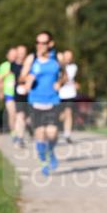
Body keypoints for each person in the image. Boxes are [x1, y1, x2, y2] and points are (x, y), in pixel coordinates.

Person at [20, 31, 64, 175]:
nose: (39, 45)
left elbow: (65, 75)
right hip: (35, 101)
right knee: (40, 133)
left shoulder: (58, 57)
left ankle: (50, 151)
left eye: (43, 43)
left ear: (51, 44)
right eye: (37, 42)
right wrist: (28, 80)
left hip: (53, 100)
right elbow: (21, 78)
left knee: (52, 133)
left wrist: (60, 82)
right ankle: (43, 161)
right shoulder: (31, 59)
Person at [58, 49, 79, 142]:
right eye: (66, 56)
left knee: (69, 113)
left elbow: (66, 79)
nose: (67, 58)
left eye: (69, 57)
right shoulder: (55, 66)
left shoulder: (73, 67)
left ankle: (67, 134)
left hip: (69, 93)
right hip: (58, 94)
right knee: (60, 115)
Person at [0, 46, 18, 136]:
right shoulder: (4, 66)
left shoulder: (20, 65)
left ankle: (19, 131)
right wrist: (0, 92)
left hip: (18, 93)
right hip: (8, 92)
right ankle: (13, 132)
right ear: (7, 55)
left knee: (19, 114)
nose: (14, 56)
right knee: (12, 112)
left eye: (15, 54)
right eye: (12, 55)